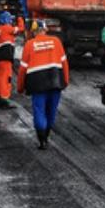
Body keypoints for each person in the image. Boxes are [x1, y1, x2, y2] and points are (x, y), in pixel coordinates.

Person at [17, 20, 70, 150]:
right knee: (51, 111)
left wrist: (20, 87)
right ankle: (46, 134)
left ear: (34, 32)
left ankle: (42, 140)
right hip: (55, 80)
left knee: (39, 110)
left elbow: (23, 69)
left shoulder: (29, 44)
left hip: (37, 82)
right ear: (45, 30)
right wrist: (65, 81)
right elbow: (64, 64)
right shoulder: (56, 41)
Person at [0, 11, 26, 109]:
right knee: (6, 78)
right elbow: (21, 29)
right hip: (5, 57)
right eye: (10, 19)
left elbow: (11, 35)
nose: (11, 20)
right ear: (6, 20)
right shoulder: (7, 28)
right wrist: (20, 19)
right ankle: (4, 100)